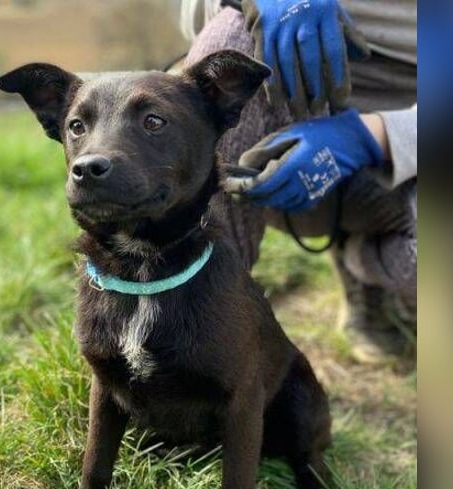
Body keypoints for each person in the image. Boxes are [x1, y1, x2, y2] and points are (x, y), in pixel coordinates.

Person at [179, 0, 417, 364]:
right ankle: (202, 333)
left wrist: (372, 136)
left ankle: (364, 262)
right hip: (275, 159)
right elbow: (191, 19)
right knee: (233, 39)